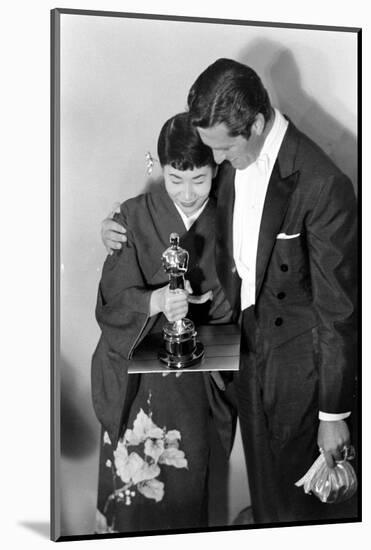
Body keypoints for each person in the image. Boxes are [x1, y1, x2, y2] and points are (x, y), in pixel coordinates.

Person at [101, 58, 357, 525]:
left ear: (256, 124)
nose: (215, 164)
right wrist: (117, 227)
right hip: (244, 363)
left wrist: (333, 413)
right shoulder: (234, 161)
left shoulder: (323, 185)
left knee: (299, 512)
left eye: (221, 152)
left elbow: (338, 312)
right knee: (266, 501)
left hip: (298, 379)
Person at [92, 112, 236, 535]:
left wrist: (214, 305)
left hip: (194, 386)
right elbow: (111, 307)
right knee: (129, 504)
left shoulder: (231, 216)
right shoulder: (132, 218)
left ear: (218, 168)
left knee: (185, 499)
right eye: (176, 179)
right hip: (136, 388)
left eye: (200, 179)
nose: (188, 193)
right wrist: (154, 300)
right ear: (159, 168)